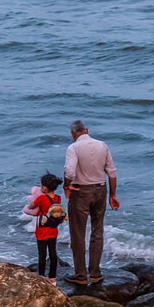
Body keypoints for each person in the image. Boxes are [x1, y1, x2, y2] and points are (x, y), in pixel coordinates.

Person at [62, 120, 119, 284]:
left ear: (73, 134)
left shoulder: (73, 148)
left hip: (81, 192)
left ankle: (80, 274)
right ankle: (95, 273)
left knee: (78, 233)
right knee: (97, 230)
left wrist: (67, 185)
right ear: (86, 130)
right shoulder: (102, 145)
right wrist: (112, 195)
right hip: (101, 190)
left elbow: (70, 172)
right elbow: (112, 172)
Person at [29, 173, 65, 282]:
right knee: (53, 253)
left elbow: (31, 207)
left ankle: (41, 276)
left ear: (44, 188)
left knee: (42, 254)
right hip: (53, 230)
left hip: (42, 231)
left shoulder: (41, 198)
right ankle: (52, 277)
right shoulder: (58, 198)